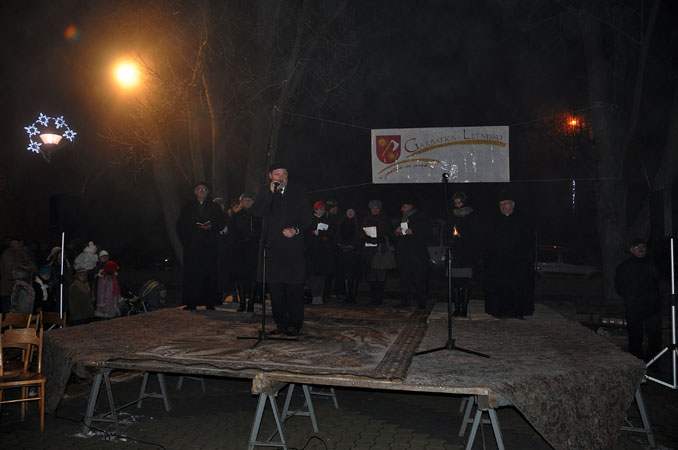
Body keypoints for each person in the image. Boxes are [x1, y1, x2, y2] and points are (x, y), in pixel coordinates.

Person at [251, 163, 312, 336]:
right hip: (273, 249)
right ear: (271, 176)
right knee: (276, 290)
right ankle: (281, 324)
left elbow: (307, 217)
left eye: (284, 174)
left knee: (294, 288)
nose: (281, 177)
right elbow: (256, 211)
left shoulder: (298, 192)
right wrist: (270, 193)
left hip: (293, 248)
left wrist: (296, 229)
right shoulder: (265, 192)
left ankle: (295, 324)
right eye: (277, 174)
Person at [484, 191, 536, 318]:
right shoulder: (494, 221)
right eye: (501, 204)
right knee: (500, 288)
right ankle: (499, 311)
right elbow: (488, 242)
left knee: (517, 288)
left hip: (517, 263)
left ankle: (518, 312)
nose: (503, 206)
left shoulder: (522, 220)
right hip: (499, 263)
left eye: (506, 203)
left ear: (512, 204)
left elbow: (528, 241)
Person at [176, 181, 226, 310]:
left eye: (204, 189)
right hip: (192, 247)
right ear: (195, 192)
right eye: (199, 189)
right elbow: (180, 226)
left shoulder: (214, 207)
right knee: (192, 275)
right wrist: (189, 238)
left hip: (209, 247)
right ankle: (191, 303)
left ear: (208, 192)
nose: (202, 191)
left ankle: (209, 302)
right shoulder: (188, 207)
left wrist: (211, 226)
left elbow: (221, 223)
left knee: (209, 274)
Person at [614, 238, 662, 362]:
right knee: (635, 337)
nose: (641, 248)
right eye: (637, 246)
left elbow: (659, 279)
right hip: (634, 307)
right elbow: (619, 286)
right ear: (631, 250)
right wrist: (630, 297)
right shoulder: (625, 266)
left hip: (652, 308)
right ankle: (636, 363)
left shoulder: (652, 263)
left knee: (655, 337)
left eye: (643, 246)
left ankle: (653, 363)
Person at [394, 199, 433, 309]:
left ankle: (422, 302)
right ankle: (405, 301)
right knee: (404, 279)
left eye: (404, 206)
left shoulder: (421, 217)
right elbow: (393, 236)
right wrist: (396, 232)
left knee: (419, 279)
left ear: (410, 206)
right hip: (404, 254)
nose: (402, 209)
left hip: (418, 254)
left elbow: (428, 233)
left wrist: (414, 232)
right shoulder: (401, 218)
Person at [449, 191, 483, 317]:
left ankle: (464, 308)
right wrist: (452, 237)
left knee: (466, 283)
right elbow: (448, 231)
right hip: (456, 254)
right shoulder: (452, 216)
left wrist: (462, 235)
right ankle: (457, 308)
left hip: (468, 254)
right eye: (456, 203)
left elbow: (476, 235)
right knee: (455, 283)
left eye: (460, 202)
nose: (458, 205)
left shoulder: (472, 216)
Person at [232, 193, 262, 312]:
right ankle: (242, 303)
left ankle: (251, 303)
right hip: (240, 249)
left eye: (250, 200)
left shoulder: (258, 214)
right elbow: (232, 231)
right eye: (245, 200)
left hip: (254, 249)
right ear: (241, 202)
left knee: (253, 278)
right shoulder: (237, 214)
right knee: (240, 278)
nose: (247, 202)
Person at [360, 200, 392, 305]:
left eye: (376, 208)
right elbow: (361, 233)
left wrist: (379, 240)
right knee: (371, 275)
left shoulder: (385, 219)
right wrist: (367, 238)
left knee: (381, 274)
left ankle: (379, 297)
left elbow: (388, 233)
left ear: (380, 209)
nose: (375, 210)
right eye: (373, 208)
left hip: (380, 250)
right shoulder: (366, 219)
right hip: (369, 251)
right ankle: (373, 297)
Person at [306, 201, 335, 305]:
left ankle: (320, 296)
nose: (322, 211)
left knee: (322, 275)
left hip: (323, 252)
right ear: (315, 209)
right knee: (313, 275)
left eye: (323, 209)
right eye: (320, 208)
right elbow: (307, 235)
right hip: (313, 253)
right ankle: (314, 295)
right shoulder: (310, 220)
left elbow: (331, 233)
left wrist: (323, 235)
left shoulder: (327, 220)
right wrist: (314, 233)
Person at [1, 236, 37, 315]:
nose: (21, 245)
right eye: (19, 243)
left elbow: (33, 267)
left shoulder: (23, 254)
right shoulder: (7, 254)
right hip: (9, 289)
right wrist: (24, 268)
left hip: (23, 288)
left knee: (22, 312)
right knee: (9, 312)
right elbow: (10, 270)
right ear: (13, 243)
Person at [336, 208, 361, 303]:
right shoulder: (341, 222)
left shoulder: (358, 222)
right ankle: (347, 295)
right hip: (344, 251)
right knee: (345, 274)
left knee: (354, 275)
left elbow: (360, 236)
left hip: (355, 252)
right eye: (348, 211)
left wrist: (353, 246)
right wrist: (341, 245)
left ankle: (353, 295)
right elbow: (338, 234)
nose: (350, 213)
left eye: (352, 211)